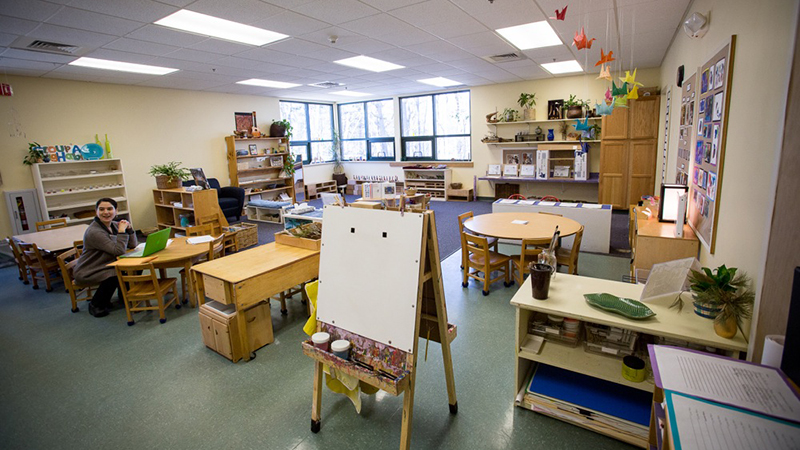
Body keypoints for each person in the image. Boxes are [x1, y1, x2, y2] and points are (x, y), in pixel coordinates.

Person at [74, 198, 138, 317]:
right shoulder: (94, 232)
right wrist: (122, 232)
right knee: (114, 274)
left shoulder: (113, 225)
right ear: (96, 211)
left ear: (116, 211)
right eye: (101, 209)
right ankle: (96, 304)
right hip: (90, 270)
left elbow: (133, 245)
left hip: (105, 265)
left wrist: (129, 229)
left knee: (135, 266)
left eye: (109, 209)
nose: (106, 212)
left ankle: (125, 296)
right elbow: (118, 251)